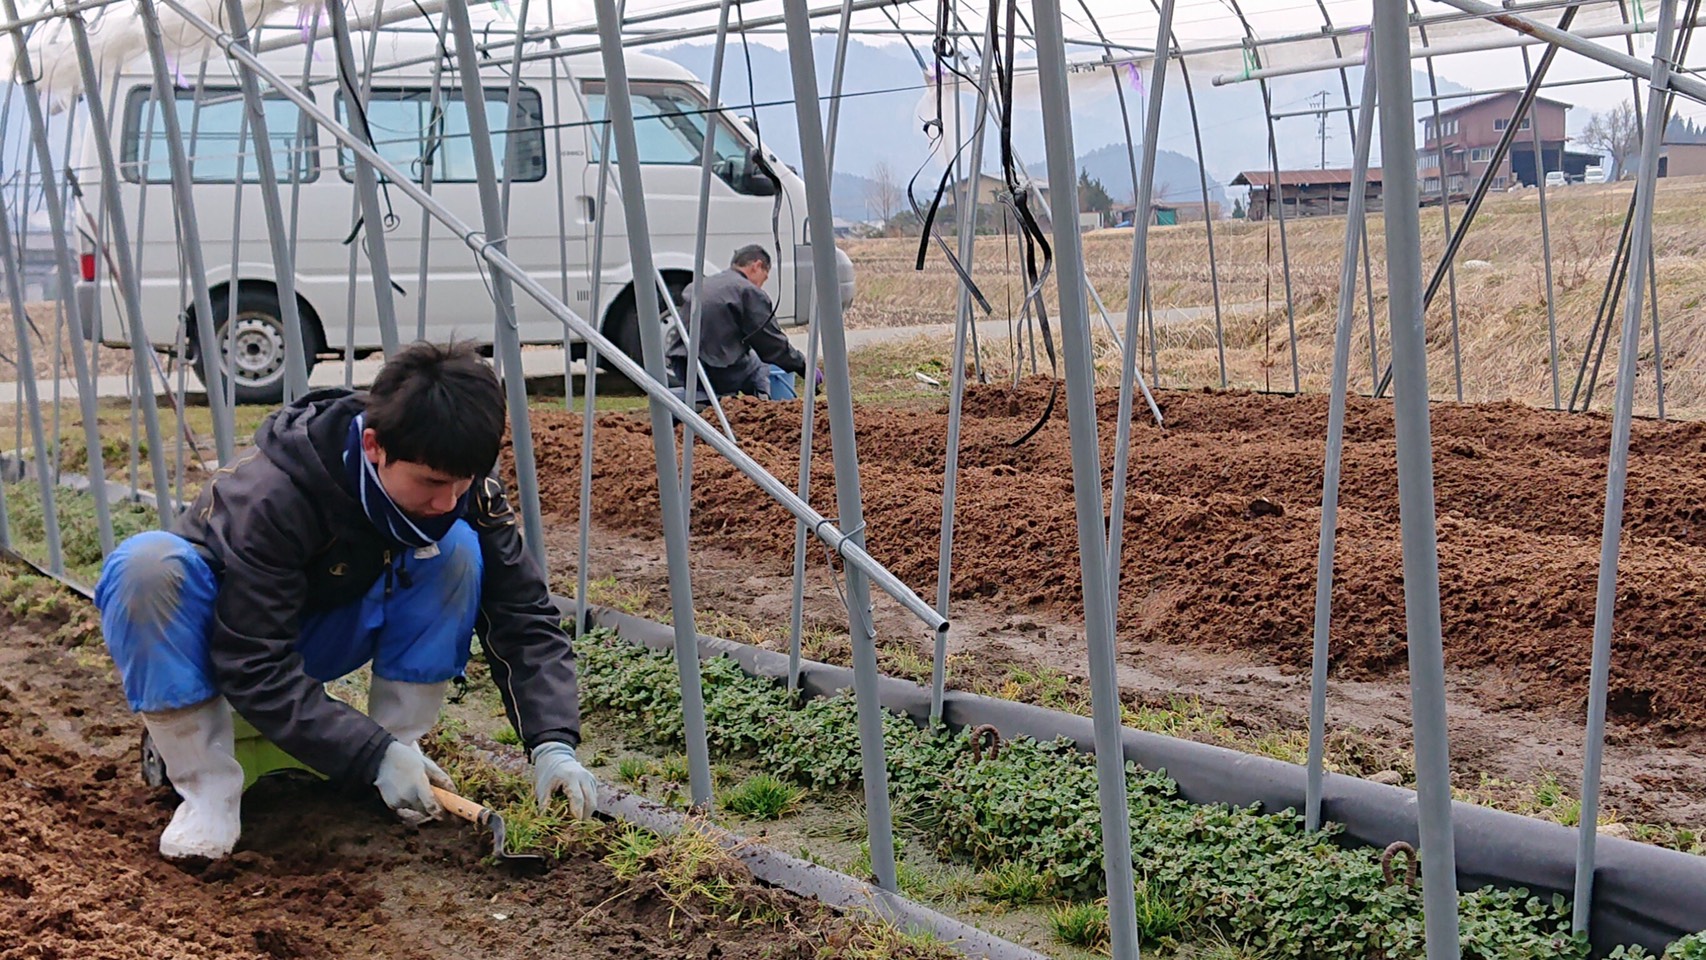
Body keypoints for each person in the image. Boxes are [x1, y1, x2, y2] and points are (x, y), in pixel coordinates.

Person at [92, 341, 597, 861]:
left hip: (321, 631)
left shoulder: (458, 479)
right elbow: (252, 660)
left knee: (456, 548)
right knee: (145, 567)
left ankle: (400, 748)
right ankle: (207, 791)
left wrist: (552, 742)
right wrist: (367, 752)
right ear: (374, 446)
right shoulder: (273, 494)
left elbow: (521, 612)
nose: (448, 500)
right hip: (223, 642)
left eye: (462, 482)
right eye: (431, 482)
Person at [666, 244, 820, 400]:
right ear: (757, 266)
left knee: (742, 359)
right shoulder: (747, 291)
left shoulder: (700, 285)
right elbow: (771, 344)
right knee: (760, 365)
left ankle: (704, 401)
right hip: (718, 369)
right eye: (765, 277)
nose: (762, 283)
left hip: (683, 365)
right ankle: (761, 407)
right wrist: (803, 366)